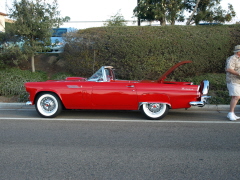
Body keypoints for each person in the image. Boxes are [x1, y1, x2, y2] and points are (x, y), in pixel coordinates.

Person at [225, 45, 240, 121]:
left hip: (238, 81)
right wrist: (239, 73)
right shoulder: (232, 58)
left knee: (235, 97)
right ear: (238, 52)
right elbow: (229, 69)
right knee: (236, 97)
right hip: (232, 80)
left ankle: (232, 113)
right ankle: (230, 113)